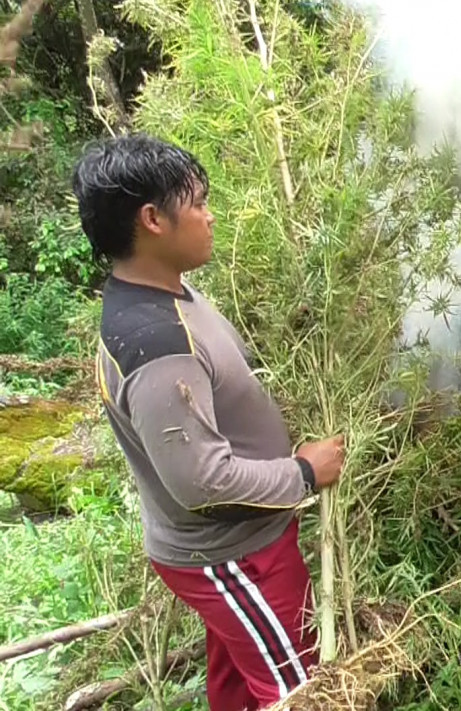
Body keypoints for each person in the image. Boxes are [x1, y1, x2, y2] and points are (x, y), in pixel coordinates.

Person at [75, 134, 346, 710]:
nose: (209, 214)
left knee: (238, 686)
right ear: (153, 219)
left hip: (242, 545)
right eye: (196, 202)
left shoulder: (167, 292)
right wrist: (302, 473)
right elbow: (201, 483)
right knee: (301, 691)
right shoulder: (156, 344)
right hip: (233, 555)